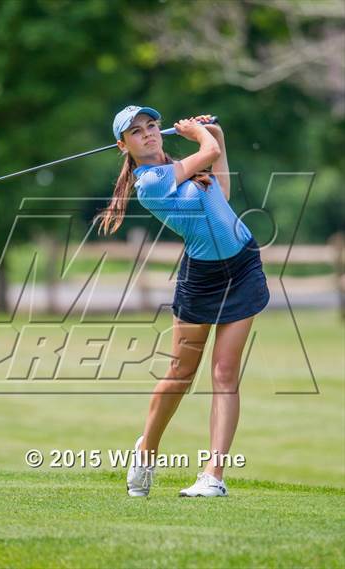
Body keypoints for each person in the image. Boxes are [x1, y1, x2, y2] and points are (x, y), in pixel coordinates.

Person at [95, 105, 270, 498]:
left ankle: (214, 476)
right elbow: (206, 154)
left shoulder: (181, 166)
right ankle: (146, 451)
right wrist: (199, 135)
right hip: (202, 281)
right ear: (123, 145)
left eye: (151, 126)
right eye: (136, 132)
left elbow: (221, 192)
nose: (148, 133)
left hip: (243, 267)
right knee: (180, 376)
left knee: (225, 374)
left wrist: (217, 134)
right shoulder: (151, 182)